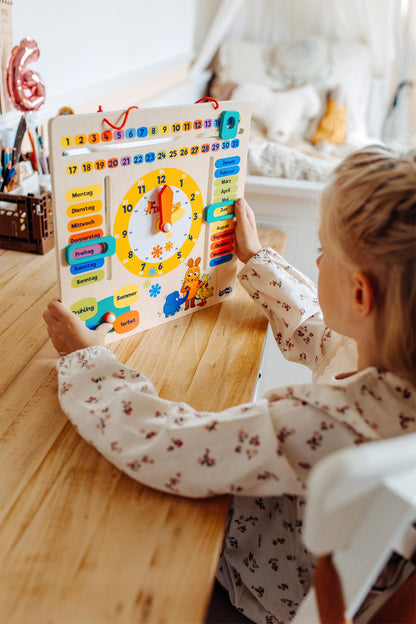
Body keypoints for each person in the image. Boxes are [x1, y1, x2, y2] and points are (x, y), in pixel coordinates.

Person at [43, 146, 415, 623]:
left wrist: (87, 359)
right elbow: (321, 337)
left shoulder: (318, 422)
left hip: (261, 594)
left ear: (361, 294)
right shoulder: (395, 370)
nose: (317, 261)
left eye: (322, 253)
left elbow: (168, 444)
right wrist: (257, 258)